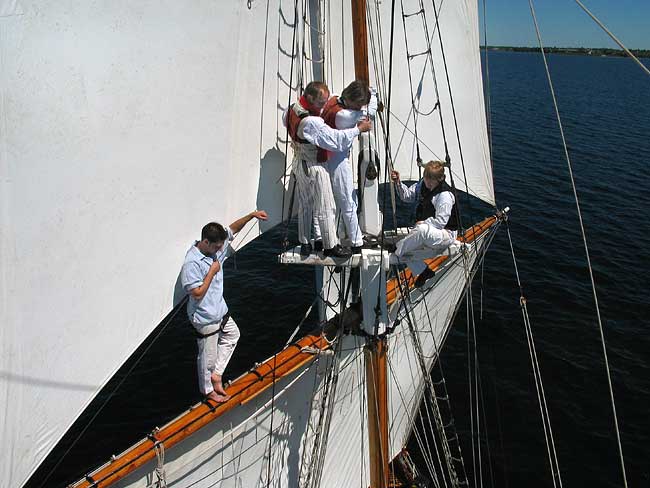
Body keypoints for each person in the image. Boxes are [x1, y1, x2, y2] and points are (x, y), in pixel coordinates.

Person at [181, 210, 268, 402]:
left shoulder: (217, 246)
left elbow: (232, 229)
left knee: (233, 335)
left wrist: (252, 215)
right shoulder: (192, 263)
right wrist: (212, 271)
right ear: (206, 242)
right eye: (217, 247)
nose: (221, 250)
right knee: (207, 357)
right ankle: (207, 391)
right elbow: (196, 293)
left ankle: (217, 374)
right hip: (205, 317)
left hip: (220, 310)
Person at [283, 81, 372, 258]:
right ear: (309, 97)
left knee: (306, 205)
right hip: (315, 165)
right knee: (326, 205)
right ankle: (330, 246)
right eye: (321, 103)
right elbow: (336, 140)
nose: (324, 107)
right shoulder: (312, 122)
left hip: (299, 162)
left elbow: (288, 124)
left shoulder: (291, 110)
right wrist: (358, 129)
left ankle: (305, 242)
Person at [321, 80, 378, 254]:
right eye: (359, 104)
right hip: (337, 161)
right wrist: (373, 93)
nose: (360, 107)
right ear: (353, 101)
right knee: (347, 201)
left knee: (343, 201)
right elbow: (371, 112)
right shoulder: (345, 116)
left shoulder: (333, 100)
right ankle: (356, 242)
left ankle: (345, 235)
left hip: (328, 159)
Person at [390, 161, 460, 287]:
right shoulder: (423, 184)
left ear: (440, 179)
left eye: (431, 179)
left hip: (446, 234)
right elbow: (407, 196)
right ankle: (424, 271)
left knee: (418, 233)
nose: (428, 182)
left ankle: (397, 247)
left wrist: (424, 222)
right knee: (407, 247)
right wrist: (398, 183)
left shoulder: (444, 196)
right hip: (430, 230)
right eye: (426, 177)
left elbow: (441, 222)